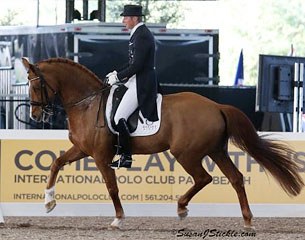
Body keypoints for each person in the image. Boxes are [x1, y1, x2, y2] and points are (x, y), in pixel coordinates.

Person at [106, 4, 159, 169]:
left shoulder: (141, 35)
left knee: (118, 117)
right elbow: (131, 62)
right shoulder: (137, 34)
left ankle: (125, 156)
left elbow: (137, 66)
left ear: (135, 18)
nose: (123, 21)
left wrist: (118, 77)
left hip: (141, 81)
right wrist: (116, 72)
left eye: (126, 18)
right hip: (135, 79)